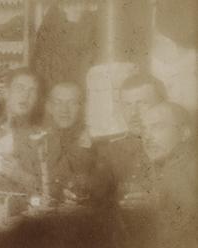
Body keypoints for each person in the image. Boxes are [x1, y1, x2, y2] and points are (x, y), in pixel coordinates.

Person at [96, 73, 168, 247]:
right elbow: (98, 202)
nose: (133, 113)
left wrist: (163, 201)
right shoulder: (112, 150)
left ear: (163, 104)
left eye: (142, 103)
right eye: (127, 105)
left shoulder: (180, 147)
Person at [140, 102, 197, 248]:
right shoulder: (165, 168)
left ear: (184, 133)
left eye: (157, 127)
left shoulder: (190, 171)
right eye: (144, 129)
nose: (147, 137)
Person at [42, 82, 101, 205]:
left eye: (72, 103)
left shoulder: (95, 140)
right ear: (49, 107)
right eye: (58, 102)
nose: (64, 109)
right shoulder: (40, 140)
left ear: (82, 107)